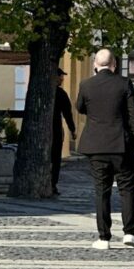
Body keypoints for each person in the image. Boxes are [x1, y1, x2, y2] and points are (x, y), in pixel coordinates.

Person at [75, 49, 134, 250]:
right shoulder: (123, 84)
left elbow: (80, 107)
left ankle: (103, 237)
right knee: (127, 189)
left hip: (96, 145)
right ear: (114, 64)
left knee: (101, 191)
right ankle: (129, 233)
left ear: (95, 65)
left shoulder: (86, 85)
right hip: (121, 145)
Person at [52, 68, 76, 196]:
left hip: (54, 129)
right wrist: (72, 130)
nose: (62, 79)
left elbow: (67, 113)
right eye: (60, 77)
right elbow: (67, 113)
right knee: (55, 158)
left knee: (54, 158)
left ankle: (51, 183)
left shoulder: (41, 92)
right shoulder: (61, 94)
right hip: (55, 129)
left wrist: (72, 129)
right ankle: (52, 184)